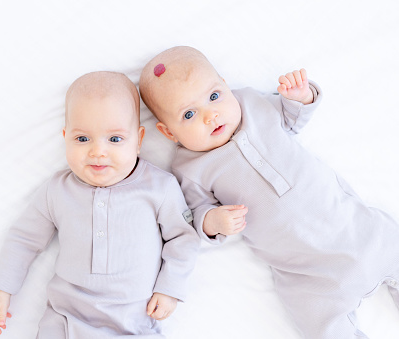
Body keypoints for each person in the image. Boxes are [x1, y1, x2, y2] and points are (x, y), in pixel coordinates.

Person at [138, 46, 399, 339]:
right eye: (188, 114)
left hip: (355, 229)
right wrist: (213, 221)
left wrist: (300, 97)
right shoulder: (189, 168)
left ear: (225, 85)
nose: (210, 116)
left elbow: (291, 117)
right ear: (169, 132)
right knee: (319, 324)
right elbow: (195, 213)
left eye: (213, 97)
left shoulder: (252, 103)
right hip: (307, 274)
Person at [0, 71, 200, 338]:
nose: (98, 151)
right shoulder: (57, 190)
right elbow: (24, 239)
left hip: (134, 320)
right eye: (83, 139)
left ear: (139, 140)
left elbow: (183, 238)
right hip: (66, 316)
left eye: (115, 139)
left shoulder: (160, 187)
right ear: (65, 137)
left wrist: (169, 289)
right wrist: (3, 290)